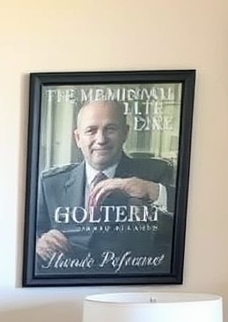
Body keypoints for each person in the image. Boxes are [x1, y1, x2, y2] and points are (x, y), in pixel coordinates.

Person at [34, 97, 174, 277]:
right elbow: (28, 233)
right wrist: (38, 243)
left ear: (125, 133)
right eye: (91, 130)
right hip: (67, 286)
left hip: (131, 286)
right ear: (78, 138)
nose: (101, 139)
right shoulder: (50, 183)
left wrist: (152, 190)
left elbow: (187, 221)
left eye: (110, 129)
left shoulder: (155, 173)